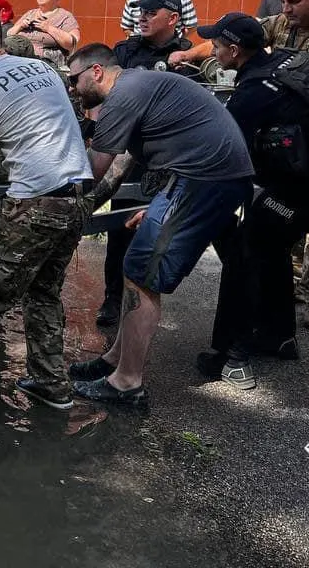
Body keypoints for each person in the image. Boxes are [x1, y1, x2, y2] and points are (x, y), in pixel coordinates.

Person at [66, 44, 253, 408]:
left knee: (143, 273)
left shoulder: (122, 96)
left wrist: (60, 201)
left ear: (97, 72)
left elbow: (94, 168)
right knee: (134, 266)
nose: (73, 88)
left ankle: (127, 384)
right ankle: (114, 361)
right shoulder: (136, 87)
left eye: (75, 79)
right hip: (201, 177)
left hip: (204, 180)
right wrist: (95, 207)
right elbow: (121, 164)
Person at [195, 13, 309, 391]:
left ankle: (231, 356)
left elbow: (226, 152)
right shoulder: (288, 61)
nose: (213, 51)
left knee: (247, 249)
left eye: (217, 45)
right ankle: (279, 336)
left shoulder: (254, 92)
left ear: (234, 50)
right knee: (270, 243)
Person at [0, 10, 91, 413]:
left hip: (36, 203)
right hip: (78, 198)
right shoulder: (45, 70)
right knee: (43, 292)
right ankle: (51, 385)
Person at [94, 0, 202, 330]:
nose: (141, 17)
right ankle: (113, 299)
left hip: (168, 159)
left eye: (151, 13)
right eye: (140, 11)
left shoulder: (186, 55)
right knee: (120, 230)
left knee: (155, 233)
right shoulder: (125, 51)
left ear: (173, 18)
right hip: (128, 155)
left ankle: (142, 304)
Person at [10, 0, 80, 66]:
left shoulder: (65, 16)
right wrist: (20, 26)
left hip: (49, 66)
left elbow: (71, 43)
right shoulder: (30, 13)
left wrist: (49, 28)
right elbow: (9, 35)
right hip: (22, 63)